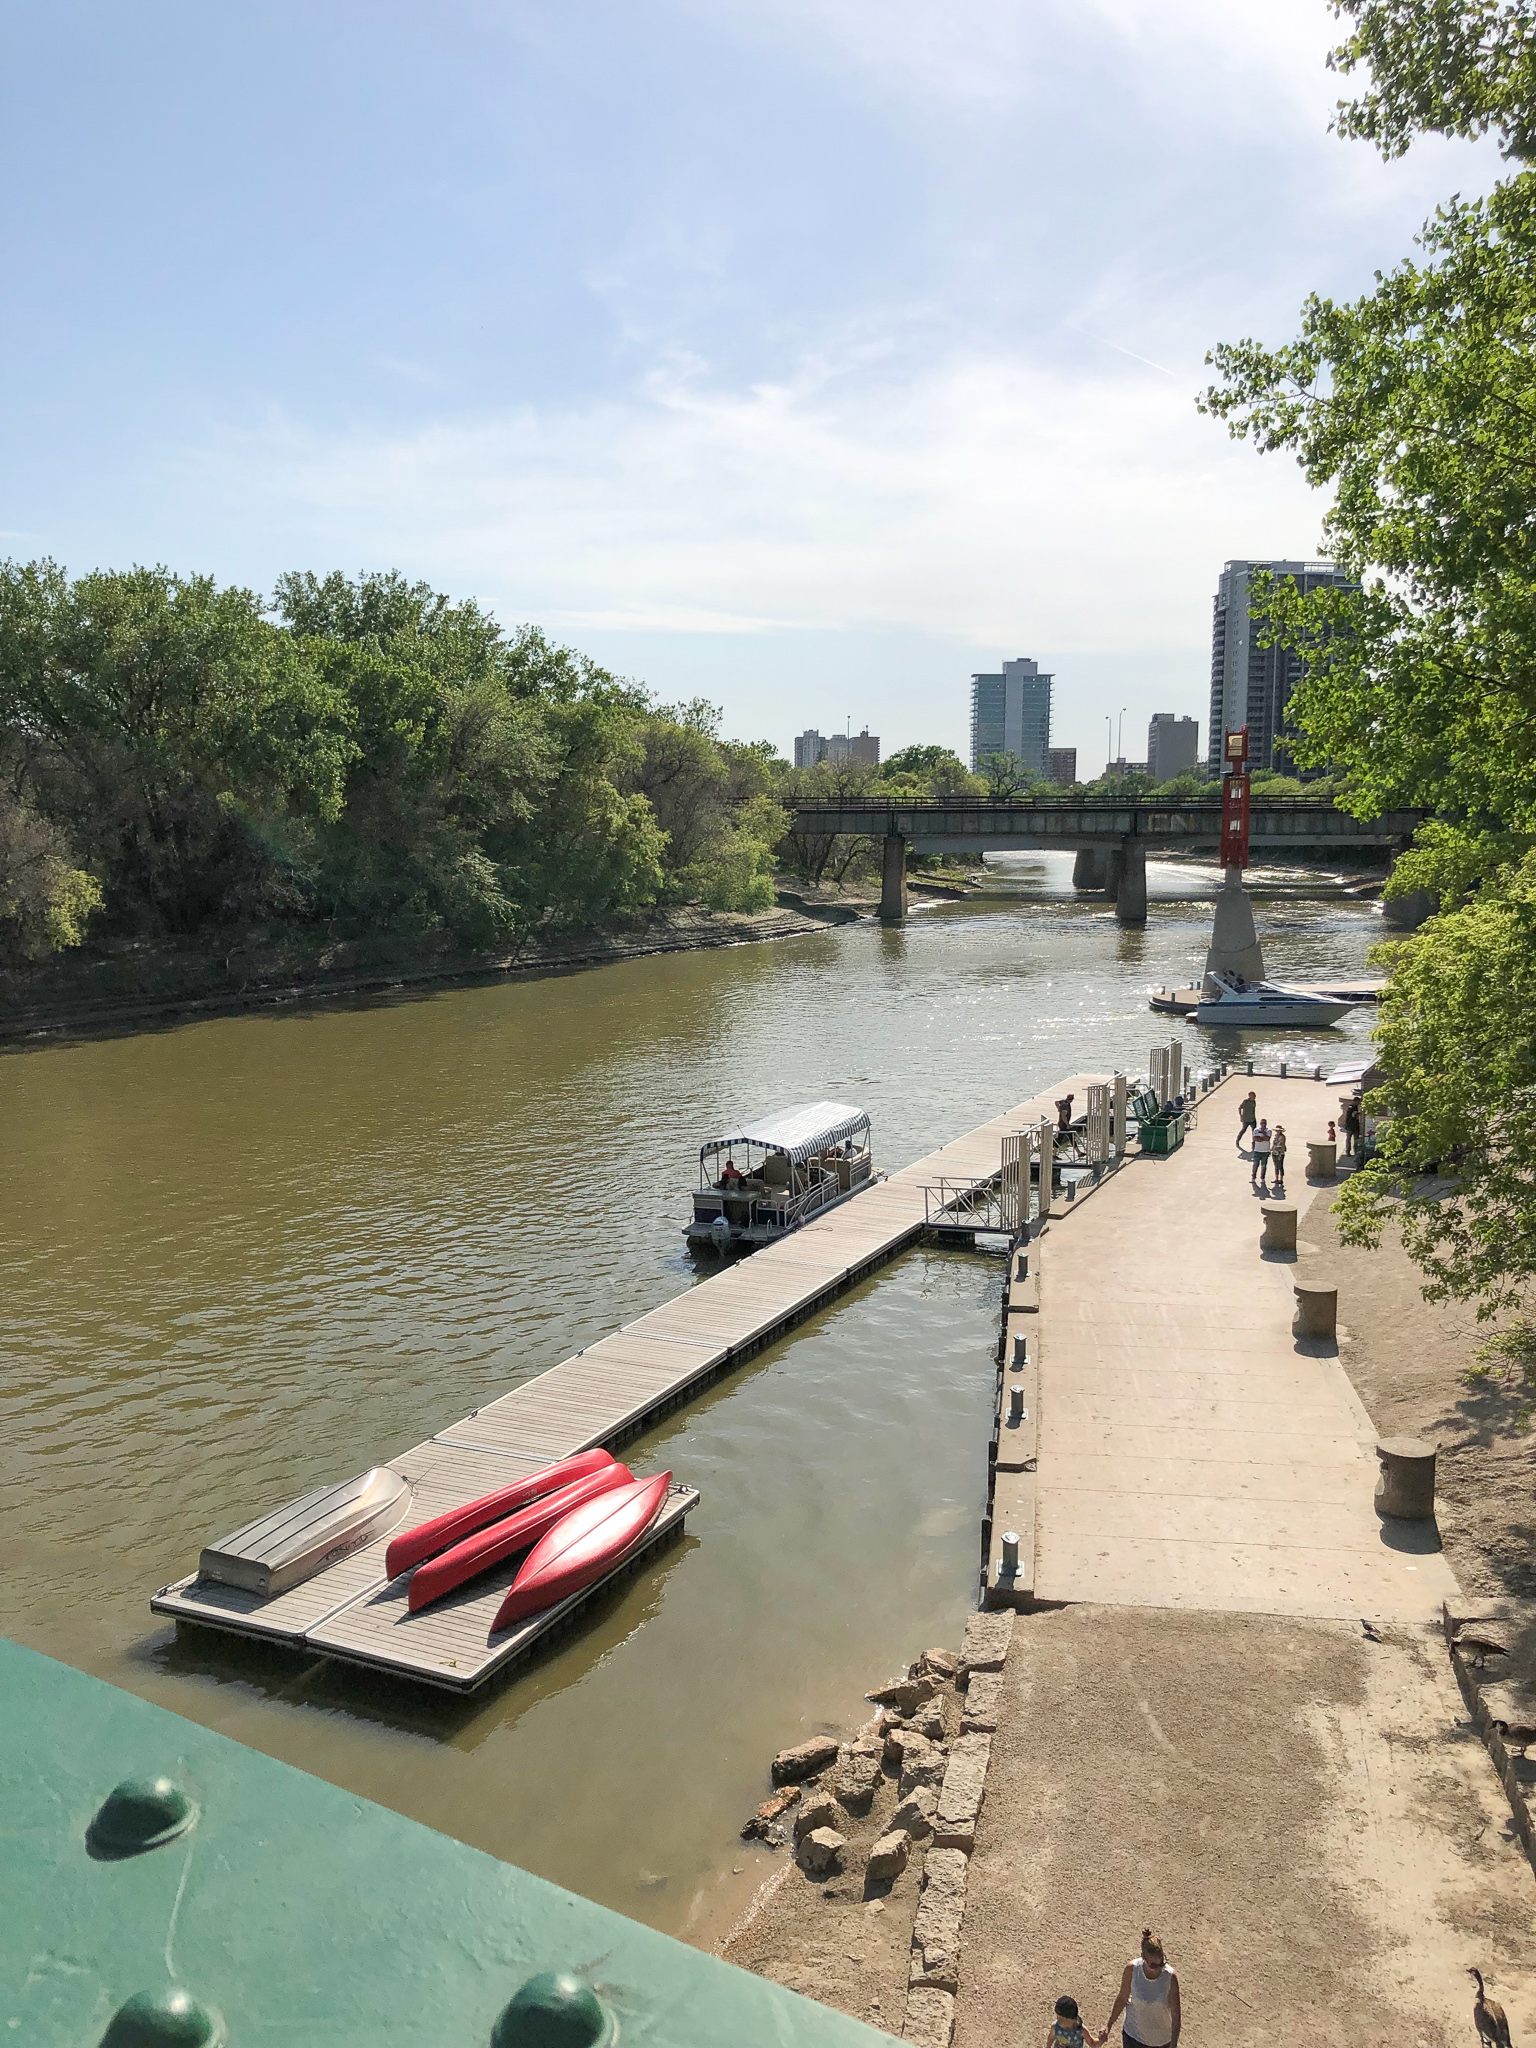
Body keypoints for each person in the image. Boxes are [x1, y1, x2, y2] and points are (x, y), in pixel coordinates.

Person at [1102, 1930, 1180, 2048]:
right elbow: (1122, 1999)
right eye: (1153, 1965)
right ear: (1143, 1957)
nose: (1159, 1968)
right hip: (1133, 2038)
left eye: (1161, 1963)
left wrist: (1173, 2044)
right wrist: (1108, 2025)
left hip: (1161, 2042)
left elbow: (1176, 2016)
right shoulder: (1132, 1970)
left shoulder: (1170, 1978)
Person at [1250, 1117, 1272, 1189]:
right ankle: (1253, 1177)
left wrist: (1263, 1134)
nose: (1263, 1125)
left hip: (1265, 1151)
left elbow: (1267, 1139)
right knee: (1255, 1165)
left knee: (1263, 1165)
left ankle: (1262, 1178)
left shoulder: (1268, 1131)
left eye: (1264, 1123)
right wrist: (1262, 1139)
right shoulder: (1256, 1130)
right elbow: (1255, 1139)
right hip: (1257, 1150)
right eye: (1262, 1123)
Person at [1270, 1122, 1287, 1189]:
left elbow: (1282, 1145)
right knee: (1276, 1165)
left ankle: (1281, 1179)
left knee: (1280, 1166)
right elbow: (1274, 1144)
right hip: (1274, 1152)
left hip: (1279, 1153)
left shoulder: (1282, 1137)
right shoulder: (1275, 1136)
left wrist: (1281, 1153)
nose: (1277, 1131)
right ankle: (1276, 1178)